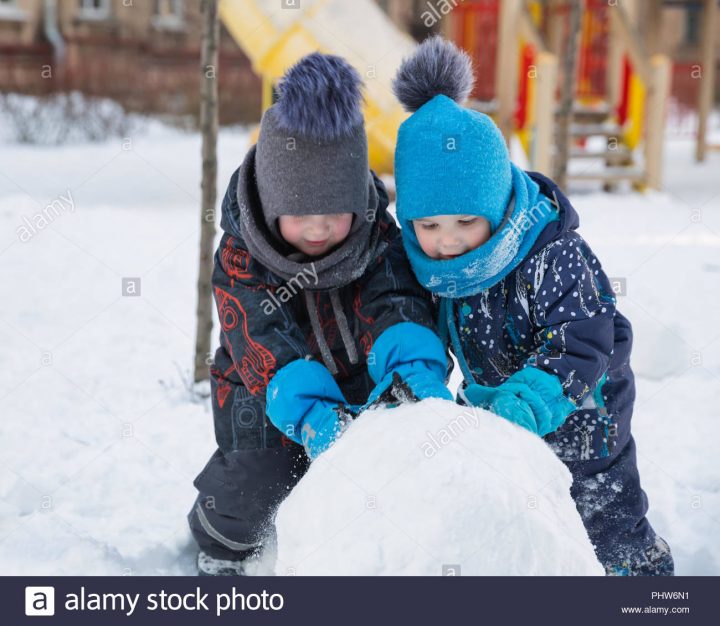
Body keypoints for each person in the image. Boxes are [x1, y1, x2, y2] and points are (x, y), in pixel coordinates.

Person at [391, 36, 674, 576]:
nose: (448, 242)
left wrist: (526, 404)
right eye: (429, 226)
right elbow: (420, 332)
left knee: (602, 521)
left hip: (585, 414)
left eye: (465, 222)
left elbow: (583, 337)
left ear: (495, 204)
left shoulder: (551, 252)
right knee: (518, 527)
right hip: (498, 413)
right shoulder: (431, 266)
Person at [188, 52, 451, 576]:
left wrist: (410, 375)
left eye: (334, 213)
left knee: (396, 466)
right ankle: (221, 540)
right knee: (258, 485)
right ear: (269, 206)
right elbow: (262, 338)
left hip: (362, 387)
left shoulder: (378, 240)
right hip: (265, 394)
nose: (318, 229)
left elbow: (394, 303)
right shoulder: (242, 258)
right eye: (299, 215)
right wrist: (312, 417)